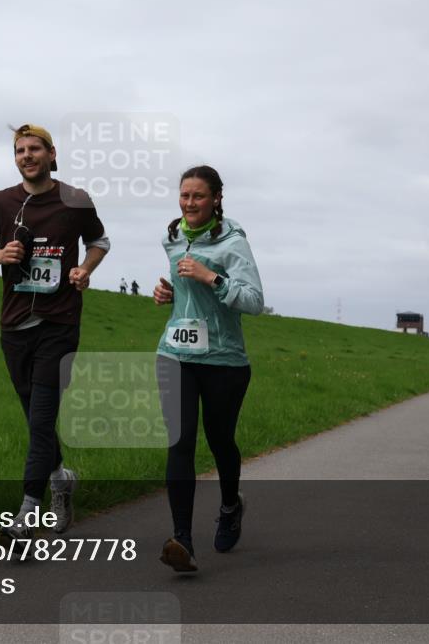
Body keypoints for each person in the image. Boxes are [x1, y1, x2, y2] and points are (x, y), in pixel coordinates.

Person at [0, 124, 110, 541]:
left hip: (60, 322)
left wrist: (85, 269)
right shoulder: (0, 202)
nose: (26, 155)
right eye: (19, 150)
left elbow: (99, 240)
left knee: (43, 413)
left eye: (34, 149)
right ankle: (61, 479)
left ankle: (26, 515)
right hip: (14, 325)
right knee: (35, 419)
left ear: (51, 154)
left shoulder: (75, 201)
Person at [153, 165, 264, 572]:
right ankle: (181, 539)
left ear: (217, 198)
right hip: (175, 354)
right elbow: (184, 291)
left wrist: (211, 277)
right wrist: (167, 292)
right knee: (179, 443)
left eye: (198, 196)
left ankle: (231, 505)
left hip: (223, 360)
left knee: (220, 443)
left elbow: (253, 299)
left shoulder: (233, 242)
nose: (189, 203)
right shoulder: (172, 236)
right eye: (184, 195)